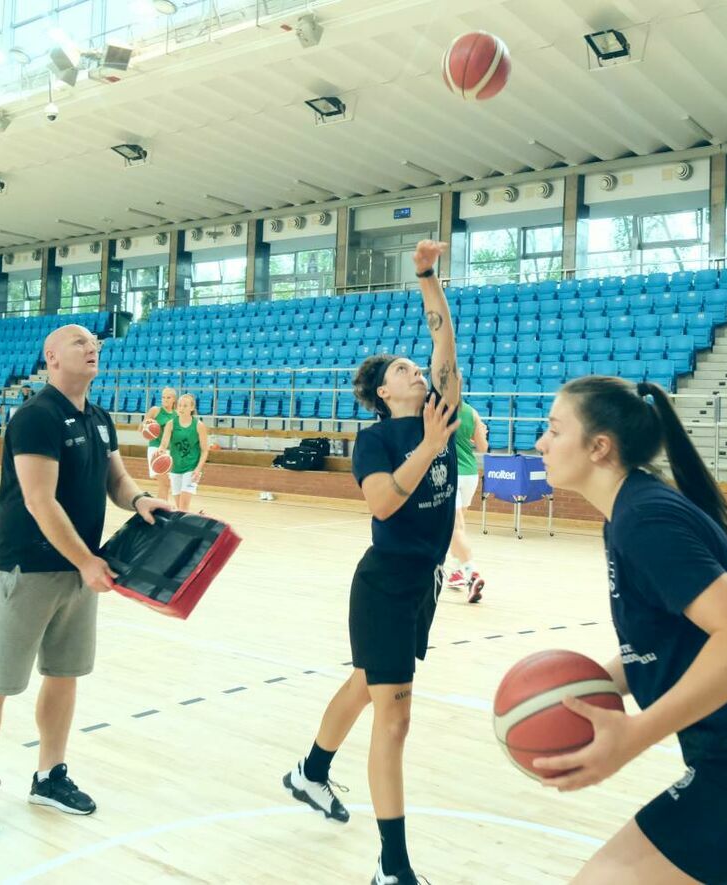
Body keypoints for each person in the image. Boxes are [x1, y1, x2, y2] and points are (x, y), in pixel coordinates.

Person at [531, 376, 727, 885]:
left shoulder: (645, 520)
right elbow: (660, 643)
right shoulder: (629, 512)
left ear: (599, 448)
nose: (540, 443)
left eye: (553, 429)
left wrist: (635, 735)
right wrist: (584, 690)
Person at [0, 324, 173, 845]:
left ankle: (49, 775)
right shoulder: (36, 416)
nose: (91, 347)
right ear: (51, 357)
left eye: (94, 344)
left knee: (65, 674)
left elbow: (115, 480)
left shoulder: (98, 418)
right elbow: (39, 500)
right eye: (78, 343)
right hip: (27, 569)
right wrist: (86, 561)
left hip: (79, 570)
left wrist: (142, 501)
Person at [283, 241, 460, 885]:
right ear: (383, 393)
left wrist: (425, 276)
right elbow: (383, 504)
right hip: (384, 584)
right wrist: (432, 449)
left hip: (424, 584)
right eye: (404, 370)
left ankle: (309, 773)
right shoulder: (377, 439)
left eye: (418, 368)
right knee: (396, 713)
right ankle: (393, 869)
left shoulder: (438, 408)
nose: (418, 372)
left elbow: (444, 338)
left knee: (366, 683)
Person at [445, 401, 487, 603]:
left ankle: (472, 574)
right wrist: (477, 432)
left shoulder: (437, 409)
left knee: (455, 528)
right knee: (458, 527)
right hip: (470, 474)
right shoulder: (472, 412)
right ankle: (456, 572)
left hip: (451, 473)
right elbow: (483, 446)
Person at [155, 392, 209, 511]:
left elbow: (205, 451)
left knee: (183, 507)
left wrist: (198, 469)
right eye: (179, 405)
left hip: (191, 469)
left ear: (192, 408)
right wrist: (160, 451)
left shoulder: (199, 425)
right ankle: (199, 518)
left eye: (185, 405)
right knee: (179, 508)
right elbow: (164, 444)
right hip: (175, 469)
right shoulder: (171, 424)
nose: (181, 408)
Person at [142, 387, 177, 503]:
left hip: (170, 451)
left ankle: (158, 508)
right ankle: (162, 510)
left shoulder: (177, 415)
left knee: (167, 485)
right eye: (163, 397)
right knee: (164, 483)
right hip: (156, 449)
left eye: (168, 397)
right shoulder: (155, 410)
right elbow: (141, 429)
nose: (165, 400)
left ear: (174, 399)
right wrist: (150, 426)